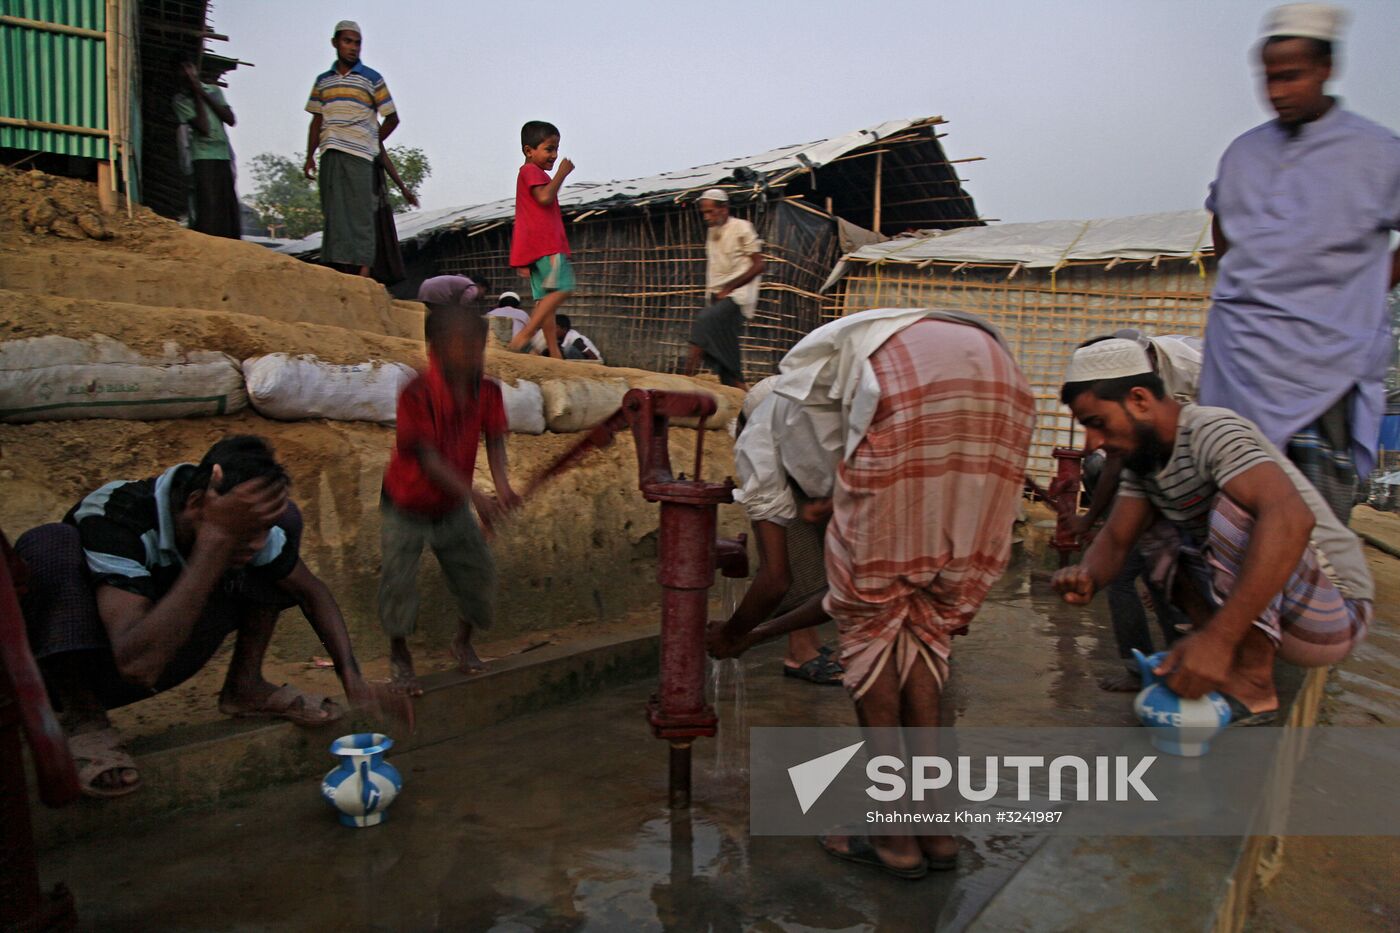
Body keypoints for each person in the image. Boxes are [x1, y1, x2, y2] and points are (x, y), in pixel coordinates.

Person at [715, 308, 1034, 877]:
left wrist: (734, 634)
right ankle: (936, 830)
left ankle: (892, 838)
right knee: (921, 623)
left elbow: (778, 580)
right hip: (994, 367)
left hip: (906, 376)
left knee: (872, 629)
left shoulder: (758, 430)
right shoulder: (816, 407)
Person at [15, 436, 391, 798]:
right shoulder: (113, 517)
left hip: (177, 644)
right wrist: (217, 541)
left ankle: (246, 687)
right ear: (196, 504)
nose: (259, 544)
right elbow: (138, 666)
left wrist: (353, 678)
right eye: (244, 531)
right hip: (102, 660)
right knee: (48, 543)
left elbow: (312, 592)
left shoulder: (234, 525)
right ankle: (84, 718)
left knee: (283, 527)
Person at [1053, 339, 1371, 726]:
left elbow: (1291, 520)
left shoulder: (1212, 428)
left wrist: (1218, 640)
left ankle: (1254, 687)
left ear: (1138, 399)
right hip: (1286, 612)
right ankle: (1221, 665)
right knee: (1159, 534)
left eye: (1097, 424)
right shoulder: (1146, 460)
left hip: (1334, 612)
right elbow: (1117, 539)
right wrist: (1088, 575)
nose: (1093, 443)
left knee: (1232, 513)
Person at [1199, 3, 1400, 525]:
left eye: (1291, 77)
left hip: (1324, 368)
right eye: (1268, 78)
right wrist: (1242, 285)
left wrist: (1368, 288)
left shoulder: (1378, 153)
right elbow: (1222, 221)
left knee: (1313, 522)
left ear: (1326, 69)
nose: (1277, 92)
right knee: (1229, 513)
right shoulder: (1242, 154)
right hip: (1238, 363)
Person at [380, 281, 521, 696]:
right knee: (398, 580)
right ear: (435, 349)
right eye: (457, 346)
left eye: (474, 346)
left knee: (477, 574)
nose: (467, 354)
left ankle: (463, 641)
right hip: (405, 503)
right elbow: (427, 459)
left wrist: (502, 485)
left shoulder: (489, 391)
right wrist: (476, 496)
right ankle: (399, 654)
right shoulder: (416, 393)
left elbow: (495, 441)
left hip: (451, 506)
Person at [1070, 330, 1200, 691]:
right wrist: (1093, 519)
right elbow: (1113, 457)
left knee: (1179, 575)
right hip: (1148, 478)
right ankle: (1138, 668)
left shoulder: (1194, 369)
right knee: (1124, 575)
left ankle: (1188, 666)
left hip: (1197, 485)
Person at [707, 377, 843, 685]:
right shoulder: (764, 451)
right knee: (797, 547)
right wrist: (737, 634)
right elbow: (776, 579)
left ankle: (820, 646)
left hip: (809, 436)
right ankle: (800, 651)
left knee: (834, 560)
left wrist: (741, 634)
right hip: (773, 426)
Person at [303, 20, 399, 277]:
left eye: (357, 43)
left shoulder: (371, 78)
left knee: (360, 215)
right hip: (330, 150)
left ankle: (363, 272)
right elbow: (316, 120)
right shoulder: (323, 82)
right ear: (335, 43)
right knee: (333, 212)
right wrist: (309, 155)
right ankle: (338, 272)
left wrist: (371, 140)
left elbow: (392, 118)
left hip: (359, 153)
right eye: (347, 41)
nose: (353, 47)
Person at [684, 189, 764, 389]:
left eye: (711, 212)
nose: (707, 217)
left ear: (724, 208)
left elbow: (759, 265)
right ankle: (740, 390)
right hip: (718, 295)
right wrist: (715, 292)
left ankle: (684, 380)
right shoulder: (713, 231)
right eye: (704, 213)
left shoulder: (742, 228)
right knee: (725, 353)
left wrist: (729, 288)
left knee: (704, 323)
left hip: (739, 295)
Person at [507, 120, 574, 359]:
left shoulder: (527, 172)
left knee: (546, 301)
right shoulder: (531, 171)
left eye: (556, 149)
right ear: (529, 150)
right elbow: (545, 197)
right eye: (549, 149)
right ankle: (525, 335)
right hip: (547, 244)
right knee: (564, 287)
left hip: (536, 247)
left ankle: (554, 352)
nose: (554, 155)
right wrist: (561, 174)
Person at [172, 52, 240, 239]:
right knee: (208, 204)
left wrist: (201, 92)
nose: (187, 72)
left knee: (226, 203)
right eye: (182, 70)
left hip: (222, 153)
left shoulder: (214, 91)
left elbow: (230, 119)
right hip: (202, 156)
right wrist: (196, 94)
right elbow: (204, 127)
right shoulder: (181, 100)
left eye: (189, 68)